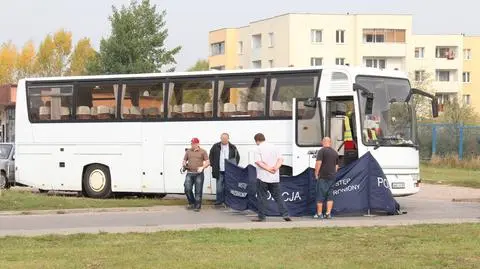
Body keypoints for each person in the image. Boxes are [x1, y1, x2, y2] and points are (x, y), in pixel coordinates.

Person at [251, 133, 291, 222]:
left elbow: (258, 162)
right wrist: (275, 168)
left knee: (262, 198)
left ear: (257, 140)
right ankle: (285, 214)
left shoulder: (257, 148)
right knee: (278, 197)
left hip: (262, 177)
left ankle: (262, 217)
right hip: (274, 178)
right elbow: (280, 159)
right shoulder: (274, 147)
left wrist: (268, 169)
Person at [209, 133, 240, 207]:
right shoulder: (215, 146)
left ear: (228, 139)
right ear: (220, 138)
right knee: (219, 187)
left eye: (225, 139)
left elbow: (237, 158)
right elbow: (211, 156)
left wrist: (233, 167)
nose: (224, 140)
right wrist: (213, 165)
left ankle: (228, 202)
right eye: (222, 138)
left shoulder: (233, 147)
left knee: (228, 187)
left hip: (229, 171)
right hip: (219, 170)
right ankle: (219, 202)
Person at [314, 137, 339, 219]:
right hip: (332, 177)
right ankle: (328, 214)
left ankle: (319, 214)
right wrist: (333, 174)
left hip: (323, 177)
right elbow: (336, 166)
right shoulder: (335, 153)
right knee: (330, 196)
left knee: (320, 195)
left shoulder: (322, 151)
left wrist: (316, 173)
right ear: (330, 142)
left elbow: (318, 163)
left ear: (322, 142)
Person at [183, 137, 210, 212]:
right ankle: (191, 203)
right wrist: (184, 165)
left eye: (194, 143)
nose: (192, 145)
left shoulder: (203, 151)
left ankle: (197, 206)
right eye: (191, 143)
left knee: (198, 190)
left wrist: (202, 167)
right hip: (189, 173)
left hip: (199, 174)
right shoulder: (188, 151)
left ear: (198, 144)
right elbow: (184, 160)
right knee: (187, 189)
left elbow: (208, 162)